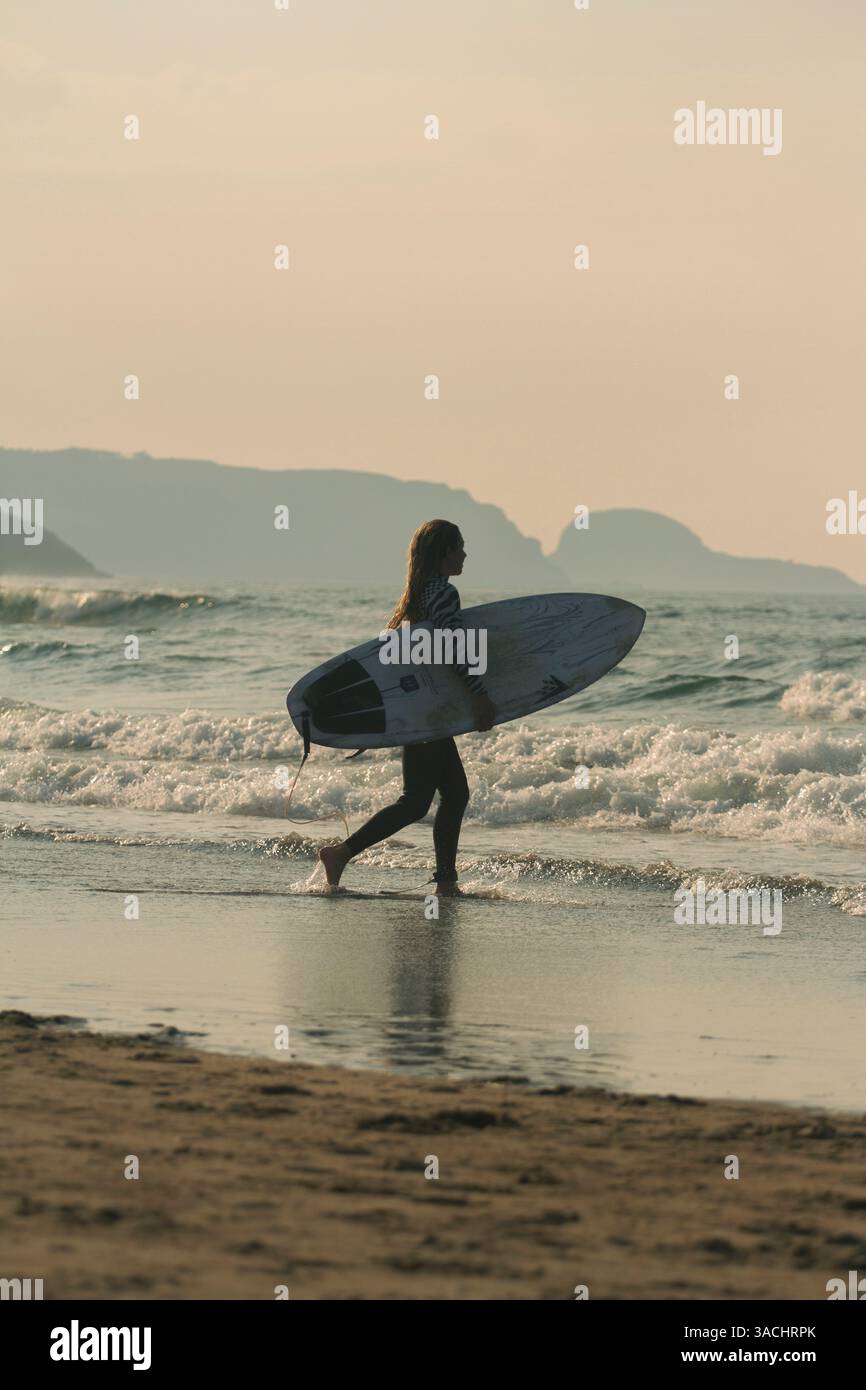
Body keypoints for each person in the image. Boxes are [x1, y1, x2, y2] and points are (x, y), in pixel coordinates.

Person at [319, 519, 495, 895]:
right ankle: (348, 855)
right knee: (428, 798)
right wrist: (478, 695)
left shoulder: (419, 594)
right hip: (430, 712)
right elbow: (453, 648)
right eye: (460, 546)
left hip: (422, 708)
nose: (465, 554)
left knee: (426, 798)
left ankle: (437, 878)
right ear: (444, 553)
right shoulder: (444, 595)